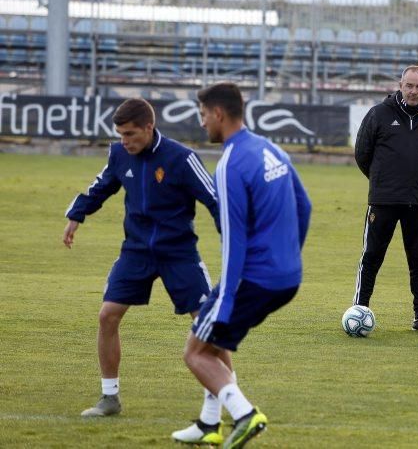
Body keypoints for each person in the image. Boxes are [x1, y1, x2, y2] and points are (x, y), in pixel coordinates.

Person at [63, 98, 221, 421]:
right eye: (120, 134)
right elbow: (102, 186)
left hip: (178, 252)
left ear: (149, 128)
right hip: (135, 251)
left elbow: (215, 199)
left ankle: (223, 399)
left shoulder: (182, 158)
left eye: (131, 134)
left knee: (206, 323)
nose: (124, 141)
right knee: (107, 316)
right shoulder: (119, 154)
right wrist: (77, 214)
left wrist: (233, 240)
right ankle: (109, 399)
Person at [177, 82, 311, 449]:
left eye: (203, 115)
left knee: (196, 351)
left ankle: (245, 415)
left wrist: (226, 297)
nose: (202, 123)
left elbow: (232, 240)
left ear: (218, 114)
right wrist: (289, 256)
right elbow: (305, 206)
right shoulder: (271, 149)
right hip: (286, 276)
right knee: (216, 343)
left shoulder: (230, 163)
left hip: (253, 277)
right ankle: (208, 425)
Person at [352, 65, 418, 333]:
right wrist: (382, 180)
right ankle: (359, 309)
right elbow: (362, 154)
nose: (414, 91)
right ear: (400, 85)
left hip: (417, 201)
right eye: (409, 85)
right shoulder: (379, 114)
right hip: (383, 199)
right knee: (372, 256)